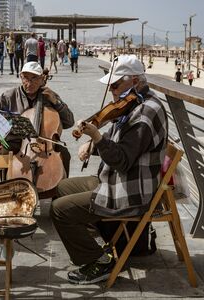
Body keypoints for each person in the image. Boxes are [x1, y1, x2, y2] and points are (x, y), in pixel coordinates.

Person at [50, 55, 168, 284]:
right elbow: (119, 143)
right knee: (63, 187)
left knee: (59, 210)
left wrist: (95, 135)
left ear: (134, 81)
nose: (112, 92)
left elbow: (122, 160)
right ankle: (104, 235)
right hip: (116, 178)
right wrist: (92, 144)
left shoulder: (145, 112)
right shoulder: (135, 102)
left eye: (115, 85)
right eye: (111, 86)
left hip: (130, 189)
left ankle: (99, 262)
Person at [0, 61, 74, 176]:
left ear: (41, 79)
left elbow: (69, 122)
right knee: (6, 151)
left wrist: (56, 102)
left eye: (34, 78)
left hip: (45, 144)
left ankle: (60, 189)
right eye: (26, 78)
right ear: (21, 77)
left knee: (64, 153)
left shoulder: (50, 95)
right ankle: (6, 185)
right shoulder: (10, 95)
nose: (29, 83)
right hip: (17, 142)